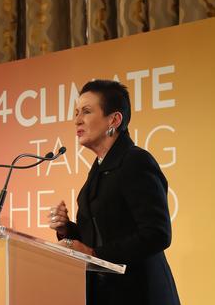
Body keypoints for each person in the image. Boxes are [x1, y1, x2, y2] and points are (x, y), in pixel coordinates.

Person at [48, 80, 180, 305]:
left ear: (114, 120)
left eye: (87, 112)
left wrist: (94, 253)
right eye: (77, 112)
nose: (77, 120)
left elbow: (157, 233)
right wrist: (66, 229)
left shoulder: (135, 161)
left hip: (141, 294)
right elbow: (103, 234)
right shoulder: (100, 167)